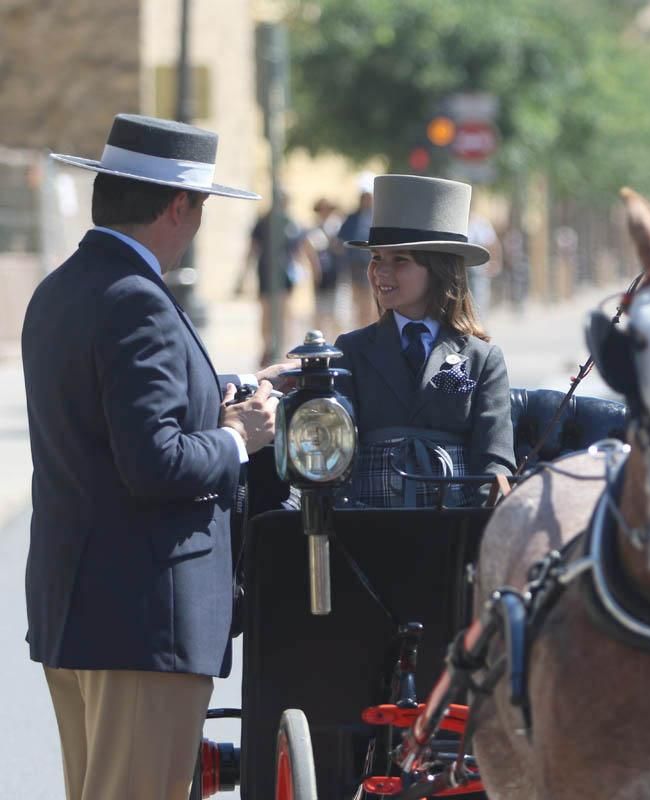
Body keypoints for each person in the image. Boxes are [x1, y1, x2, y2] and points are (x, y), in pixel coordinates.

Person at [23, 114, 282, 800]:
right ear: (177, 206)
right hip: (141, 620)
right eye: (200, 209)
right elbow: (156, 461)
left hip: (80, 612)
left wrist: (223, 392)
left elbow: (110, 418)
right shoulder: (137, 301)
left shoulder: (64, 289)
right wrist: (238, 438)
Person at [332, 174, 514, 508]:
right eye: (376, 258)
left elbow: (495, 460)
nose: (380, 272)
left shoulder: (481, 358)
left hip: (455, 531)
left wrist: (483, 522)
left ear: (439, 270)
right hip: (366, 529)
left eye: (400, 260)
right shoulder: (350, 351)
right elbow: (335, 453)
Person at [244, 198, 321, 365]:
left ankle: (283, 347)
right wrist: (245, 275)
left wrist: (312, 268)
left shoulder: (290, 224)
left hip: (285, 275)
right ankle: (267, 346)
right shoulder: (264, 222)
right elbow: (253, 248)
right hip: (265, 273)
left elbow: (304, 246)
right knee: (266, 313)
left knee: (285, 312)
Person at [336, 172, 376, 328]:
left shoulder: (376, 217)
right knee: (357, 299)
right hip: (354, 265)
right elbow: (341, 240)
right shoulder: (352, 218)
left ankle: (369, 326)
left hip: (371, 264)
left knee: (370, 299)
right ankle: (361, 327)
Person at [309, 197, 345, 336]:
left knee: (338, 313)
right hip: (322, 276)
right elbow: (311, 252)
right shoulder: (315, 230)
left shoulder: (337, 227)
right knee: (321, 313)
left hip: (337, 275)